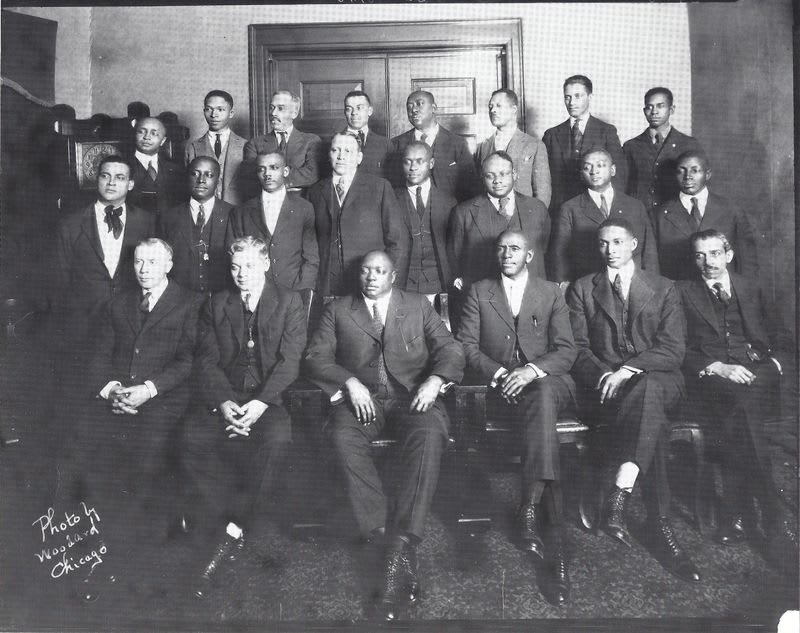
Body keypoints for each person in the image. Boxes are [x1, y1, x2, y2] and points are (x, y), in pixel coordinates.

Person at [304, 250, 464, 621]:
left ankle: (402, 541)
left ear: (394, 276)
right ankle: (380, 536)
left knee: (429, 434)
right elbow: (315, 356)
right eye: (366, 271)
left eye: (380, 271)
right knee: (342, 437)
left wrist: (436, 380)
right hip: (363, 402)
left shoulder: (418, 305)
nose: (372, 277)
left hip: (413, 398)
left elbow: (451, 349)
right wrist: (349, 381)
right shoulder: (338, 309)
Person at [566, 218, 700, 583]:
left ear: (634, 244)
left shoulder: (664, 287)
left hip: (664, 381)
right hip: (610, 388)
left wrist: (627, 370)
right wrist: (605, 375)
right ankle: (660, 524)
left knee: (651, 388)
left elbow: (672, 350)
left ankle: (620, 489)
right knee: (650, 415)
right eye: (603, 243)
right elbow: (577, 348)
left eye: (617, 242)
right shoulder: (582, 288)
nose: (610, 250)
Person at [72, 238, 201, 601]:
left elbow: (188, 361)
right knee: (85, 444)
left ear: (169, 265)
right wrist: (111, 389)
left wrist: (148, 389)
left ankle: (144, 554)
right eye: (138, 262)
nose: (143, 270)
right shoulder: (118, 302)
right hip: (118, 399)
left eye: (152, 262)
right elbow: (99, 355)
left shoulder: (191, 303)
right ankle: (102, 543)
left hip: (164, 400)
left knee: (147, 453)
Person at [457, 230, 576, 605]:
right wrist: (499, 374)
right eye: (501, 248)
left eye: (515, 248)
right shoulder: (479, 291)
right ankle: (551, 537)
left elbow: (567, 350)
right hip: (498, 389)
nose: (507, 253)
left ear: (530, 255)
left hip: (549, 382)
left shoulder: (551, 292)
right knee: (543, 423)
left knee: (543, 394)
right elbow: (466, 346)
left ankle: (529, 505)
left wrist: (531, 371)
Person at [184, 236, 307, 598]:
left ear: (266, 264)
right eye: (236, 267)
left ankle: (235, 527)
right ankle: (227, 518)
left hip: (268, 401)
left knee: (277, 440)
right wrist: (223, 402)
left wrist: (260, 404)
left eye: (250, 266)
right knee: (191, 439)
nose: (241, 274)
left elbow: (291, 361)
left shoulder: (290, 301)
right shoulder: (216, 303)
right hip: (226, 397)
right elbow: (206, 361)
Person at [677, 229, 797, 570]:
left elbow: (782, 335)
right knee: (742, 409)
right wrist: (718, 367)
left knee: (742, 411)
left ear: (729, 255)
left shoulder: (751, 287)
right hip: (712, 380)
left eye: (715, 253)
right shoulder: (681, 292)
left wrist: (773, 365)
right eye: (700, 255)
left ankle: (737, 512)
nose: (707, 261)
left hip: (758, 374)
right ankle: (772, 519)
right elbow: (676, 346)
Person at [53, 155, 156, 389]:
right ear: (96, 180)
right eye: (105, 176)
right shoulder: (70, 224)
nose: (111, 183)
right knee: (83, 388)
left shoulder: (147, 221)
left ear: (130, 184)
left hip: (132, 320)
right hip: (83, 323)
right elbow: (61, 281)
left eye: (119, 177)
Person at [308, 133, 409, 297]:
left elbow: (397, 240)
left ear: (359, 157)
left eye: (348, 151)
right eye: (335, 150)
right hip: (328, 288)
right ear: (329, 155)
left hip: (369, 285)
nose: (341, 156)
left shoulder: (379, 187)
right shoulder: (314, 192)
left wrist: (386, 280)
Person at [549, 149, 659, 284]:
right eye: (587, 167)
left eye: (600, 165)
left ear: (612, 170)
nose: (594, 171)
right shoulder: (570, 208)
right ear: (581, 174)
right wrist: (563, 285)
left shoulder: (635, 205)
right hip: (588, 284)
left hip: (632, 282)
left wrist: (653, 284)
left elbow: (649, 251)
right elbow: (560, 255)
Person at [449, 151, 550, 289]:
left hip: (532, 291)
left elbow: (544, 247)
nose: (497, 180)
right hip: (484, 293)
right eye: (490, 175)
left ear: (514, 174)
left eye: (503, 174)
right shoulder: (463, 212)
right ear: (482, 177)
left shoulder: (537, 208)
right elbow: (456, 257)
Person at [652, 150, 758, 280]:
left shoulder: (731, 210)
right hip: (677, 288)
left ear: (707, 174)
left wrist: (744, 289)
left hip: (722, 288)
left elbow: (748, 260)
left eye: (695, 171)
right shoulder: (658, 215)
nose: (687, 177)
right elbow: (652, 265)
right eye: (681, 171)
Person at [227, 152, 319, 291]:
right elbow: (233, 255)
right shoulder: (241, 212)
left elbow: (311, 257)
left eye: (274, 167)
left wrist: (303, 290)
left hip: (294, 290)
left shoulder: (304, 208)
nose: (267, 174)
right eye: (261, 169)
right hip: (254, 291)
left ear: (285, 171)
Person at [543, 75, 626, 215]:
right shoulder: (551, 135)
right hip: (561, 210)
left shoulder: (606, 131)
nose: (571, 102)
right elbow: (545, 179)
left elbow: (619, 175)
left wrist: (612, 210)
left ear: (590, 97)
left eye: (577, 96)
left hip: (597, 208)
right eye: (567, 97)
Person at [158, 156, 234, 295]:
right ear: (187, 177)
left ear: (218, 181)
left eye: (209, 175)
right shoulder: (168, 217)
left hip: (222, 298)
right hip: (180, 298)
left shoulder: (233, 214)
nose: (201, 180)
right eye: (195, 173)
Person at [394, 141, 456, 300]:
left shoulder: (449, 202)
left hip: (439, 285)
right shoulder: (389, 199)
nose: (413, 167)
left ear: (431, 163)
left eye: (419, 161)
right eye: (408, 161)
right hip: (401, 286)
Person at [623, 87, 703, 210]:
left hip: (676, 213)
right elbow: (624, 185)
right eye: (649, 107)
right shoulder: (631, 146)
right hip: (641, 214)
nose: (654, 112)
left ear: (671, 109)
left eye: (660, 106)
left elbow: (700, 183)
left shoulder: (688, 144)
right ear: (644, 111)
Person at [390, 90, 477, 201]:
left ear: (433, 108)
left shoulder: (458, 144)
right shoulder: (396, 144)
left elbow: (471, 187)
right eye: (409, 106)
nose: (414, 110)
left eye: (419, 104)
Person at [476, 88, 551, 206]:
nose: (493, 110)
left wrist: (537, 216)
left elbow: (543, 192)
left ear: (513, 109)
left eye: (499, 106)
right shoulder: (483, 147)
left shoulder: (534, 145)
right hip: (489, 214)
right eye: (490, 107)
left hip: (524, 214)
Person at [243, 90, 323, 193]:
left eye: (280, 108)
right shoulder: (254, 144)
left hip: (301, 201)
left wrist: (274, 181)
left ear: (294, 113)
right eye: (272, 108)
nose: (273, 113)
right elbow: (252, 176)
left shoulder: (311, 141)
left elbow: (312, 174)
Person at [184, 90, 247, 205]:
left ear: (231, 113)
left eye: (220, 109)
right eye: (209, 109)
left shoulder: (245, 146)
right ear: (204, 111)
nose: (214, 115)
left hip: (238, 210)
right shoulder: (193, 147)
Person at [127, 116, 183, 214]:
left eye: (154, 133)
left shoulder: (175, 169)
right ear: (134, 134)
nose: (147, 137)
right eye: (141, 132)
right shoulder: (122, 166)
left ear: (163, 141)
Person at [342, 90, 391, 178]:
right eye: (349, 109)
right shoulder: (334, 142)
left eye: (359, 108)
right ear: (345, 112)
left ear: (370, 111)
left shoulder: (385, 144)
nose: (354, 112)